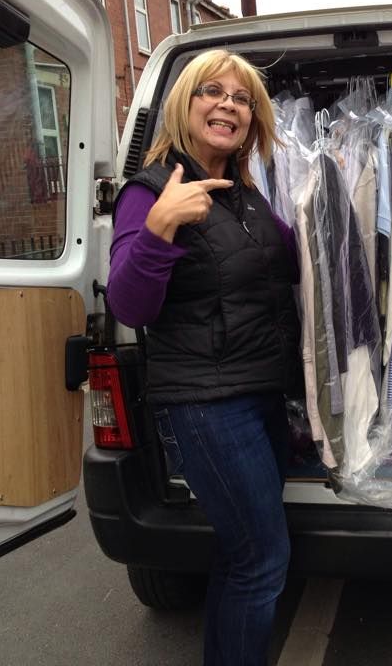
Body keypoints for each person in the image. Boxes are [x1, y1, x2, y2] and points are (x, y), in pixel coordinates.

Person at [106, 49, 302, 665]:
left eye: (242, 99)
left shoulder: (246, 195)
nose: (228, 106)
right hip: (207, 405)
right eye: (211, 92)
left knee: (242, 555)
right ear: (184, 105)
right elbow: (129, 305)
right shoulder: (150, 191)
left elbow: (287, 266)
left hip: (259, 395)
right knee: (263, 560)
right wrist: (160, 226)